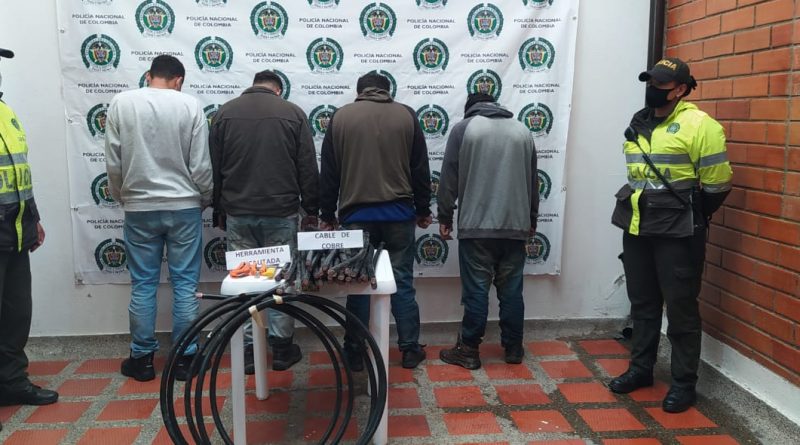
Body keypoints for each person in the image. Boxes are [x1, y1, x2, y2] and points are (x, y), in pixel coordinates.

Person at [609, 58, 732, 413]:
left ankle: (683, 383)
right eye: (650, 82)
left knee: (680, 309)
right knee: (643, 303)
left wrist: (691, 213)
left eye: (660, 84)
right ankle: (641, 369)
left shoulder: (700, 125)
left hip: (678, 232)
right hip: (637, 226)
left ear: (680, 89)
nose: (652, 89)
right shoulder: (639, 121)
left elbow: (717, 183)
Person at [105, 55, 213, 382]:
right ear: (179, 80)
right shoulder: (190, 105)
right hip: (183, 206)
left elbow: (113, 162)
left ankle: (141, 360)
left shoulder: (122, 103)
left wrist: (123, 197)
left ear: (148, 75)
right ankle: (184, 359)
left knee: (143, 284)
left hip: (139, 207)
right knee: (185, 285)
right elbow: (200, 166)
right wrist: (204, 198)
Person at [319, 72, 432, 369]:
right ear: (387, 91)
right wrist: (423, 209)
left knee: (358, 283)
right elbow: (420, 168)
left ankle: (354, 351)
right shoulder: (406, 115)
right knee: (402, 281)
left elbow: (329, 173)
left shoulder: (341, 118)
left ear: (360, 92)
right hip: (399, 214)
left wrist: (326, 215)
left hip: (356, 216)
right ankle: (409, 349)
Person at [210, 70, 319, 373]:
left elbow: (214, 168)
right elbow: (307, 166)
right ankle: (281, 349)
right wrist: (311, 209)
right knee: (282, 280)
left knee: (244, 282)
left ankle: (249, 352)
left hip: (238, 212)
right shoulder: (292, 113)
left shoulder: (224, 113)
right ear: (278, 90)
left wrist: (219, 209)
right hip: (281, 212)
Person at [436, 93, 538, 370]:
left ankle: (468, 350)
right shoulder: (522, 131)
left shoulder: (464, 129)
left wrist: (444, 216)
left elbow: (449, 177)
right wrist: (531, 219)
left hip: (477, 228)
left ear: (471, 109)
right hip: (515, 227)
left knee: (476, 291)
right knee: (512, 291)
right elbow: (533, 182)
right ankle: (514, 348)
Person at [0, 47, 58, 421]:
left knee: (16, 314)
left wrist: (32, 218)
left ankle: (11, 383)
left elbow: (19, 172)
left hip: (15, 231)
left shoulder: (5, 112)